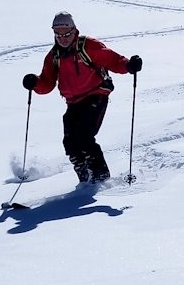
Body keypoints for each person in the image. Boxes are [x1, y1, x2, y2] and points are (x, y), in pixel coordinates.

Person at [22, 12, 143, 184]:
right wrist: (35, 83)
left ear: (74, 30)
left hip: (96, 94)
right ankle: (85, 181)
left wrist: (128, 65)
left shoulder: (88, 46)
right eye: (58, 35)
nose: (63, 38)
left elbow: (112, 60)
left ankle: (101, 179)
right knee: (70, 142)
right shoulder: (54, 56)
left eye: (66, 34)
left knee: (84, 136)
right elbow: (47, 83)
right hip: (73, 102)